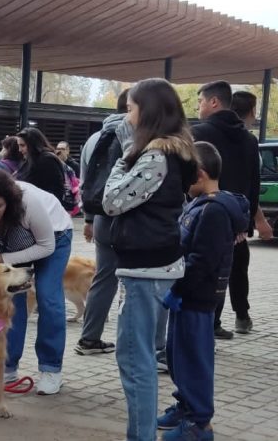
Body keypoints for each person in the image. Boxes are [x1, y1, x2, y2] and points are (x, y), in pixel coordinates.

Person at [101, 78, 198, 441]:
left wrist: (125, 155)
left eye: (130, 108)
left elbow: (112, 201)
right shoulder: (174, 153)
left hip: (146, 272)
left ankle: (140, 436)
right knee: (140, 358)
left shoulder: (155, 156)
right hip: (155, 267)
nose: (126, 117)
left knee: (135, 362)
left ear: (149, 112)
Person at [158, 142, 249, 440]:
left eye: (185, 176)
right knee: (177, 356)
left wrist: (180, 289)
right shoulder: (198, 204)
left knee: (194, 360)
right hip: (185, 295)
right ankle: (185, 405)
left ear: (199, 174)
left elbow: (203, 261)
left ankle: (199, 424)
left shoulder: (214, 211)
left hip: (196, 298)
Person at [0, 168, 73, 396]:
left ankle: (51, 369)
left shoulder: (28, 203)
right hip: (7, 249)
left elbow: (46, 246)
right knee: (7, 302)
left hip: (53, 239)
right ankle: (7, 367)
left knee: (48, 297)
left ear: (8, 202)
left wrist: (3, 259)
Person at [191, 80, 264, 339]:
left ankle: (205, 324)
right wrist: (246, 223)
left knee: (205, 267)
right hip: (235, 216)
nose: (198, 107)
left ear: (214, 102)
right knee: (230, 269)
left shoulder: (198, 133)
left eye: (200, 101)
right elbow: (255, 184)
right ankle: (228, 319)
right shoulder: (249, 140)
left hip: (204, 212)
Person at [76, 89, 129, 355]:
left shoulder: (95, 138)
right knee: (133, 280)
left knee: (103, 277)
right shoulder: (136, 135)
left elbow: (85, 183)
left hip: (100, 218)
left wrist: (88, 218)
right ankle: (134, 344)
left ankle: (89, 338)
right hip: (129, 219)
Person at [231, 91, 274, 241]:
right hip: (237, 221)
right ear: (253, 111)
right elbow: (252, 186)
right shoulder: (249, 141)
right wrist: (260, 220)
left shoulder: (201, 133)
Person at [16, 127, 65, 199]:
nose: (20, 150)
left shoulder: (47, 160)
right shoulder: (28, 159)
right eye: (19, 145)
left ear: (32, 144)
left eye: (22, 145)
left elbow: (57, 190)